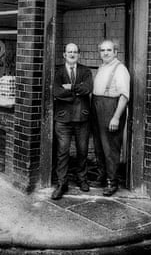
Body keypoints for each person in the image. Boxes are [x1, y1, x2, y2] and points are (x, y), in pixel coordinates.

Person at [51, 43, 93, 200]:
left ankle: (82, 179)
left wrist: (70, 88)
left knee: (82, 151)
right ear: (64, 54)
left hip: (82, 118)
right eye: (69, 51)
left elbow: (88, 89)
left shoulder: (86, 71)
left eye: (75, 52)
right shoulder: (58, 71)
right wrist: (76, 91)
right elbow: (56, 91)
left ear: (79, 55)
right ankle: (62, 183)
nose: (72, 54)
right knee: (63, 152)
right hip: (63, 118)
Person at [91, 39, 130, 197]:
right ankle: (102, 175)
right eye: (102, 50)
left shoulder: (120, 69)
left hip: (111, 108)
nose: (105, 53)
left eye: (109, 50)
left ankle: (112, 182)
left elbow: (124, 96)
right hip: (97, 107)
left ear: (115, 52)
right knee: (99, 146)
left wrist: (115, 117)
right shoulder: (102, 67)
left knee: (110, 148)